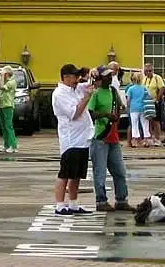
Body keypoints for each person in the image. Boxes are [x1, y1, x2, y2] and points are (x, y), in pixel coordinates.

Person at [51, 63, 94, 216]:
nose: (77, 79)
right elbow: (74, 113)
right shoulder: (60, 94)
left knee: (77, 174)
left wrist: (93, 74)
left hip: (82, 139)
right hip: (71, 140)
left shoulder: (75, 89)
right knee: (65, 173)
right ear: (66, 77)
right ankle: (60, 204)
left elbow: (90, 83)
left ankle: (73, 203)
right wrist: (87, 97)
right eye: (75, 76)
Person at [87, 66, 129, 212]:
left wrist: (118, 112)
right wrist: (105, 115)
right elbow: (90, 113)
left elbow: (121, 106)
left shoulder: (113, 91)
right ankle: (101, 200)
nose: (109, 78)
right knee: (100, 172)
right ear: (100, 78)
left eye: (111, 76)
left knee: (119, 171)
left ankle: (121, 199)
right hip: (100, 136)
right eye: (106, 76)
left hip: (113, 135)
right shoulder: (96, 94)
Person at [125, 71, 150, 148]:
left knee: (134, 124)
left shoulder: (131, 88)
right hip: (143, 108)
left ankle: (135, 141)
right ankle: (146, 141)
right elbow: (147, 97)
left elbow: (128, 99)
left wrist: (128, 106)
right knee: (145, 124)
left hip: (134, 108)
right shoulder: (144, 88)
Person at [142, 63, 165, 147]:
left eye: (150, 71)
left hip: (154, 101)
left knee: (156, 121)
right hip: (146, 102)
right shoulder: (144, 79)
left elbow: (162, 88)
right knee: (149, 120)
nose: (148, 72)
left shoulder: (157, 77)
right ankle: (151, 137)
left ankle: (158, 138)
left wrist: (158, 99)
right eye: (146, 71)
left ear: (153, 70)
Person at [0, 65, 18, 153]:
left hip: (8, 106)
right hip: (2, 105)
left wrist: (2, 76)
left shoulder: (12, 82)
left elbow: (1, 86)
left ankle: (13, 145)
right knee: (4, 126)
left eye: (3, 74)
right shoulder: (7, 82)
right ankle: (6, 144)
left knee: (8, 126)